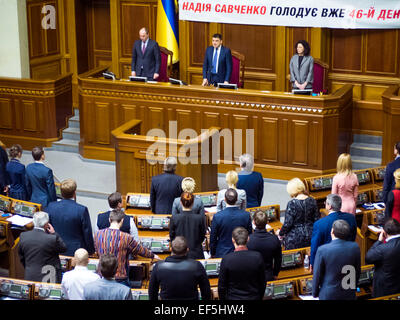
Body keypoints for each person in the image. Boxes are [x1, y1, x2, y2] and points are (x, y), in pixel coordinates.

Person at [94, 209, 159, 287]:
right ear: (122, 221)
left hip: (101, 275)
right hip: (119, 277)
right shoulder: (126, 237)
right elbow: (139, 250)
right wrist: (153, 255)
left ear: (109, 220)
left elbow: (96, 251)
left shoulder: (98, 235)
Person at [312, 219, 361, 300]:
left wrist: (315, 293)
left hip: (329, 295)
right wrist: (353, 288)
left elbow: (317, 275)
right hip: (349, 293)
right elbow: (357, 271)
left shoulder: (323, 250)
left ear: (332, 231)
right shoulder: (355, 247)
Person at [46, 179, 95, 256]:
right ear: (74, 192)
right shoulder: (81, 210)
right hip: (75, 251)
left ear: (61, 193)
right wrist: (91, 250)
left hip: (55, 248)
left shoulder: (51, 206)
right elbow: (87, 232)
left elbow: (47, 228)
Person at [310, 194, 357, 268]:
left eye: (325, 203)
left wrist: (312, 263)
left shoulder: (319, 224)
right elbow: (353, 237)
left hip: (328, 262)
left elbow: (315, 246)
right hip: (348, 258)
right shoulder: (351, 218)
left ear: (330, 206)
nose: (324, 204)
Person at [18, 211, 67, 283]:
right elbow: (63, 248)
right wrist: (54, 233)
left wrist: (29, 267)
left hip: (30, 275)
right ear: (46, 224)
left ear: (33, 222)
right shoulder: (52, 239)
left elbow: (22, 257)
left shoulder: (23, 236)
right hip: (49, 277)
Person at [218, 227, 266, 300]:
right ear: (248, 239)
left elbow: (221, 286)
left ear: (233, 240)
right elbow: (262, 282)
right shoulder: (257, 257)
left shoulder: (227, 259)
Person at [276, 178, 320, 250]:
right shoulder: (312, 200)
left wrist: (280, 233)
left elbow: (288, 224)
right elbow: (316, 220)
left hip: (295, 238)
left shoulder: (291, 204)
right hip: (311, 235)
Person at [210, 188, 252, 258]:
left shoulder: (217, 216)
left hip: (222, 253)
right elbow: (250, 235)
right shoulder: (246, 215)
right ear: (237, 199)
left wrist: (213, 253)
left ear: (225, 200)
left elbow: (213, 238)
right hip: (242, 254)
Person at [365, 218, 400, 298]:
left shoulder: (383, 249)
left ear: (384, 232)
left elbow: (368, 258)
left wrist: (379, 241)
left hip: (385, 290)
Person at [169, 192, 207, 259]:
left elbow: (172, 236)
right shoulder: (199, 218)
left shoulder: (174, 218)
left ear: (180, 202)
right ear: (193, 203)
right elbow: (202, 235)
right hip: (196, 253)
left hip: (179, 253)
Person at [247, 210, 282, 281]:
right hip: (268, 275)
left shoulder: (248, 240)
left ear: (253, 222)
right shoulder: (274, 239)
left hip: (253, 277)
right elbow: (278, 260)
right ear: (267, 222)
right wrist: (275, 274)